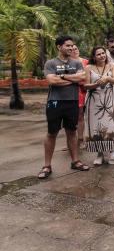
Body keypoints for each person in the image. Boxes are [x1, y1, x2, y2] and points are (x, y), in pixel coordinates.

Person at [38, 35, 90, 179]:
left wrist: (62, 77)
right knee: (52, 133)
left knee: (72, 132)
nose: (71, 48)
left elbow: (82, 78)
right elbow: (52, 81)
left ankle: (75, 161)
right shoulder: (50, 63)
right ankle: (47, 166)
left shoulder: (77, 63)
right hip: (55, 102)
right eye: (68, 45)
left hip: (72, 102)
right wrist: (71, 78)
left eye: (72, 46)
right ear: (59, 47)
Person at [84, 46, 114, 165]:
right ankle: (100, 155)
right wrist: (96, 84)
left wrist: (108, 78)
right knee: (96, 127)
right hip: (93, 101)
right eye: (98, 54)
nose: (102, 56)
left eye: (103, 53)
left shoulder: (112, 65)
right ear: (94, 56)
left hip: (108, 101)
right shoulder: (88, 67)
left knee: (110, 126)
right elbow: (85, 85)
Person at [70, 45, 89, 149]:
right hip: (69, 92)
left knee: (80, 116)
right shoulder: (66, 63)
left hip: (83, 92)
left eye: (76, 48)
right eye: (72, 49)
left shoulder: (86, 62)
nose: (74, 51)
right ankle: (71, 140)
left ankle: (81, 140)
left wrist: (74, 79)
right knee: (69, 118)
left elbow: (87, 78)